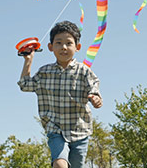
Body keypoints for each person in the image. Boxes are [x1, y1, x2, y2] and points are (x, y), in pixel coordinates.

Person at [18, 21, 103, 168]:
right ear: (51, 47)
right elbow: (25, 85)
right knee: (59, 164)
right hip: (55, 130)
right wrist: (28, 60)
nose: (64, 47)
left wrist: (95, 98)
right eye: (58, 43)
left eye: (69, 43)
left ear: (77, 47)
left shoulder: (83, 71)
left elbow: (94, 86)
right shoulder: (45, 72)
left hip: (80, 131)